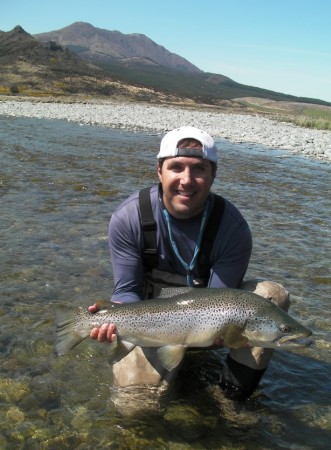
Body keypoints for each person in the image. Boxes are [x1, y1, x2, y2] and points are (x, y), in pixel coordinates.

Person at [89, 126, 288, 400]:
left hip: (206, 321)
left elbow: (222, 299)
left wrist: (222, 333)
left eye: (198, 169)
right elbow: (127, 291)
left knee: (271, 296)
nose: (186, 180)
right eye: (176, 167)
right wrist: (113, 317)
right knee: (135, 406)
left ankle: (232, 398)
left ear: (212, 175)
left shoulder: (232, 228)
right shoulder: (129, 218)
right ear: (160, 171)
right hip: (150, 320)